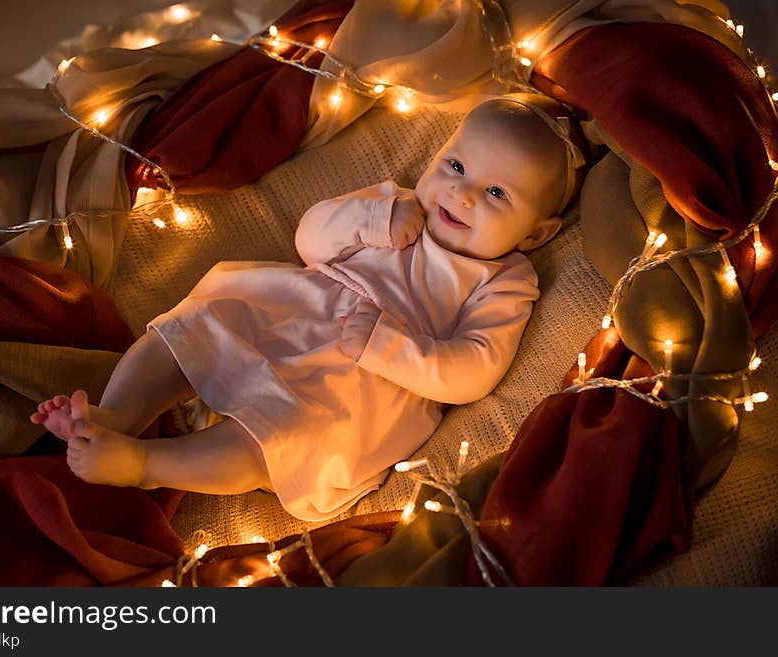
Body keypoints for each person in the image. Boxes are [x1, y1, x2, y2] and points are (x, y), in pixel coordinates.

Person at [30, 91, 589, 521]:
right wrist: (370, 221)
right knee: (191, 329)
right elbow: (311, 239)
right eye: (456, 167)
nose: (461, 194)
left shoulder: (505, 279)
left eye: (497, 194)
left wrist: (388, 346)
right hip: (295, 309)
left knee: (281, 439)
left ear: (537, 234)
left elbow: (474, 371)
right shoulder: (394, 203)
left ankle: (147, 467)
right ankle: (117, 413)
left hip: (362, 382)